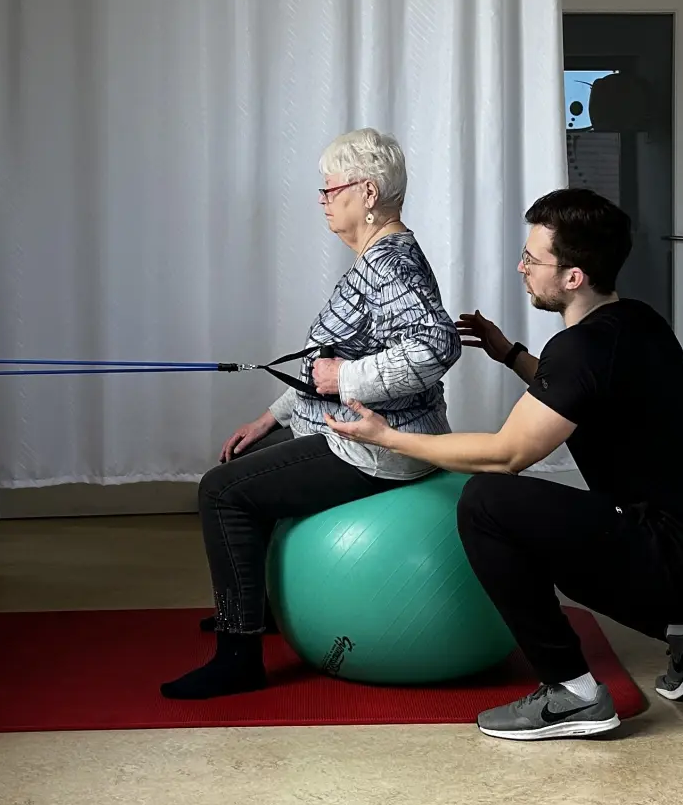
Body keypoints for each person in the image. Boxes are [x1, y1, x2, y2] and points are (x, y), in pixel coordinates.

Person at [326, 187, 683, 741]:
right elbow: (578, 392)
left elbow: (509, 452)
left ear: (573, 277)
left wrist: (390, 438)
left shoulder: (580, 352)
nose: (522, 267)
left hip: (678, 560)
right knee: (558, 524)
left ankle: (571, 692)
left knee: (488, 503)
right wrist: (509, 354)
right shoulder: (638, 323)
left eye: (534, 259)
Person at [161, 128, 461, 700]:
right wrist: (272, 417)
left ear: (367, 193)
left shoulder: (391, 265)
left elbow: (435, 347)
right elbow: (329, 361)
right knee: (250, 458)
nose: (323, 200)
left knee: (221, 492)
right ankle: (259, 605)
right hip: (356, 430)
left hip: (381, 447)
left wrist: (344, 378)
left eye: (331, 189)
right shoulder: (380, 258)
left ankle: (238, 651)